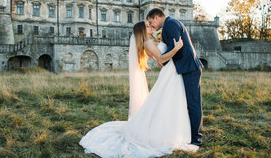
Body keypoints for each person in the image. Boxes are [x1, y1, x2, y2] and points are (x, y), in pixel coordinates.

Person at [79, 21, 199, 157]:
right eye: (148, 26)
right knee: (166, 102)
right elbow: (162, 58)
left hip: (171, 71)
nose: (151, 27)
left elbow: (159, 61)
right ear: (143, 31)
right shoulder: (148, 43)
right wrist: (176, 48)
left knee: (166, 102)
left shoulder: (149, 41)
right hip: (171, 71)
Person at [146, 8, 203, 146]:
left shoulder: (170, 25)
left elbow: (174, 48)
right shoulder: (171, 23)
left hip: (189, 68)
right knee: (189, 102)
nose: (151, 25)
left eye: (150, 22)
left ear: (156, 17)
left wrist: (163, 60)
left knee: (193, 103)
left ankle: (196, 138)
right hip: (185, 67)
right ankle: (191, 134)